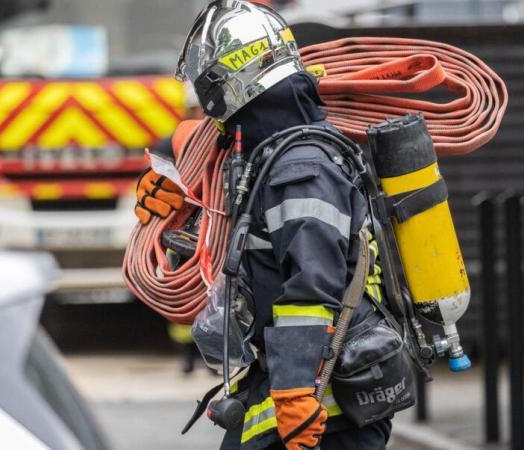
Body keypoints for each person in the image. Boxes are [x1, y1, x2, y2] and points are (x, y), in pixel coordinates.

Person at [135, 1, 391, 448]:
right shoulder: (266, 159)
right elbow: (250, 252)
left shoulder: (301, 168)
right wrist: (185, 206)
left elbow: (312, 284)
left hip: (324, 400)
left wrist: (294, 387)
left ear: (235, 81)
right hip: (289, 384)